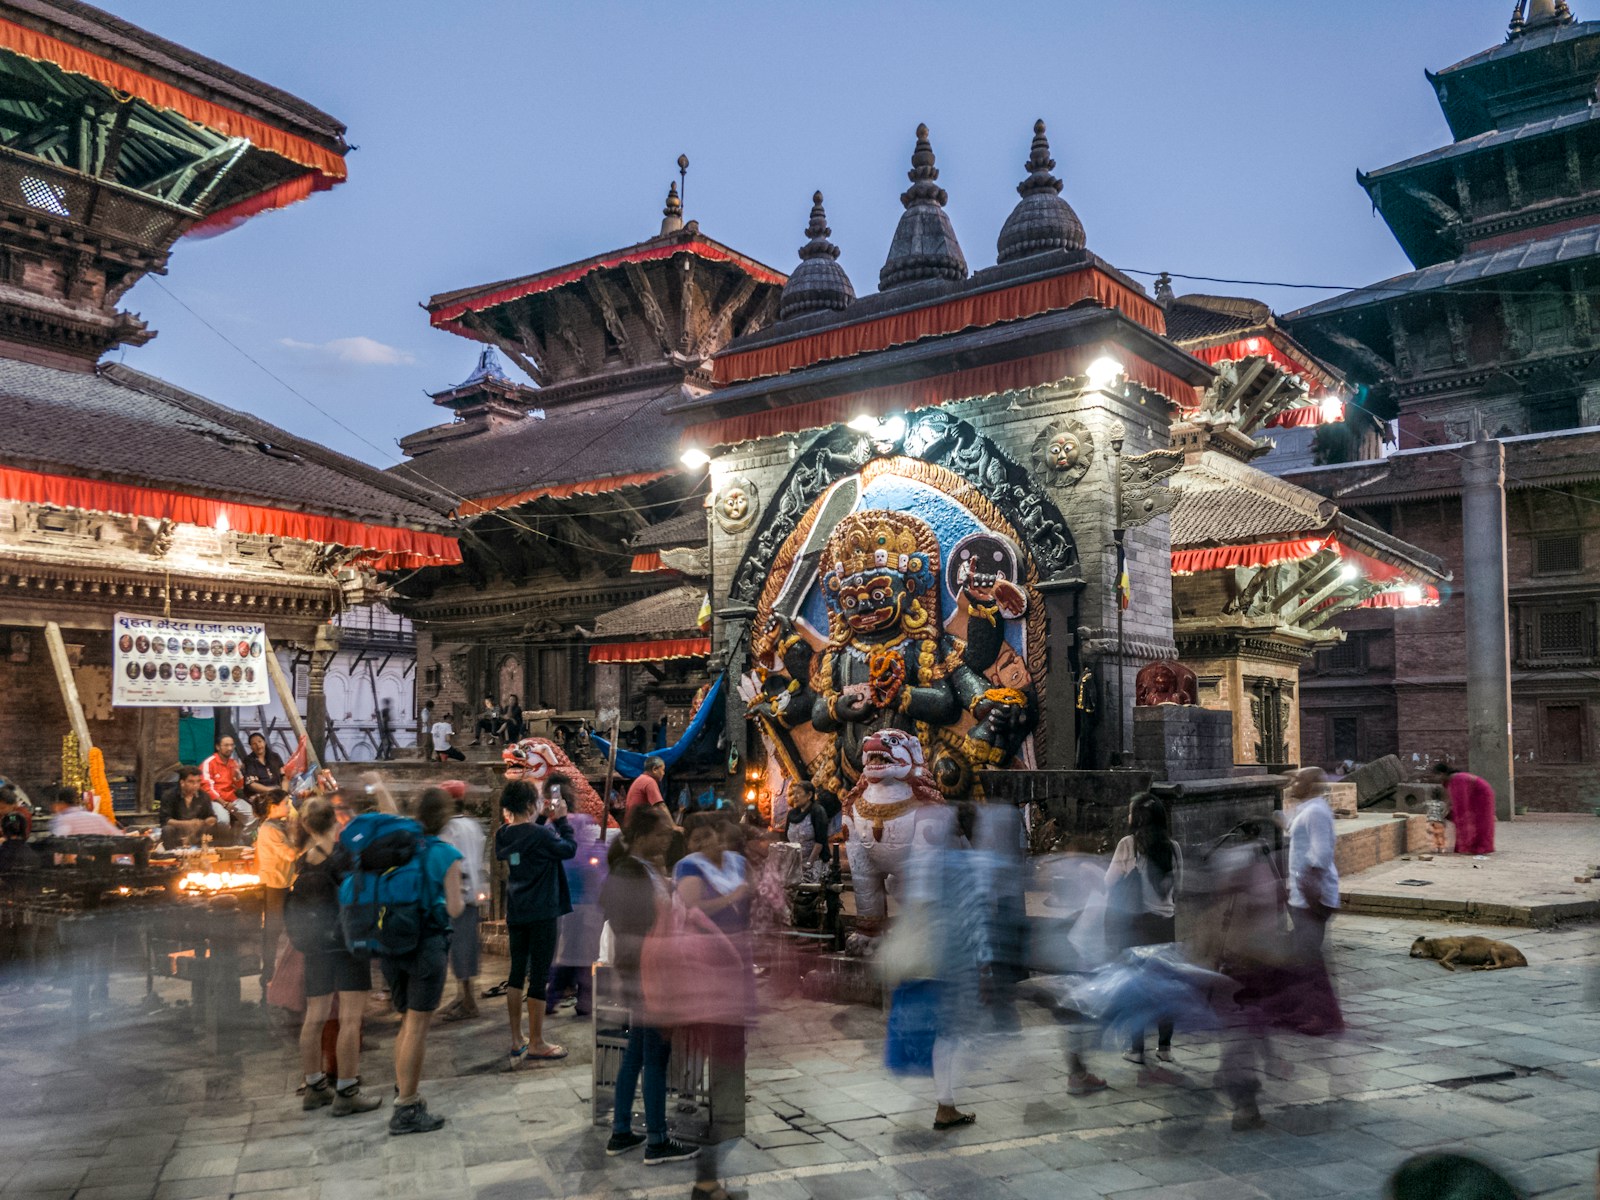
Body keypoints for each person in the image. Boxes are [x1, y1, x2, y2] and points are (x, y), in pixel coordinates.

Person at [600, 805, 698, 1166]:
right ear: (641, 835)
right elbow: (631, 927)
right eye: (660, 834)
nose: (666, 838)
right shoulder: (631, 872)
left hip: (646, 971)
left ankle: (621, 1130)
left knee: (637, 1054)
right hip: (647, 974)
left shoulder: (643, 869)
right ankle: (657, 1139)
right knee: (655, 1055)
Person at [367, 788, 464, 1135]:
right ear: (445, 818)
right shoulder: (446, 854)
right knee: (418, 1028)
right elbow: (454, 908)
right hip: (427, 946)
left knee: (406, 1022)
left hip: (393, 945)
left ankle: (402, 1086)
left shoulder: (401, 844)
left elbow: (387, 814)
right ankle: (406, 1106)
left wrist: (379, 787)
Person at [292, 797, 382, 1118]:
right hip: (348, 945)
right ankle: (346, 1090)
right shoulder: (347, 857)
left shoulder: (301, 863)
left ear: (306, 825)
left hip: (316, 947)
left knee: (314, 1016)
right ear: (336, 821)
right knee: (350, 1019)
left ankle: (314, 1087)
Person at [1104, 793, 1184, 1085]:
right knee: (1165, 987)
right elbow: (1179, 887)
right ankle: (1164, 1049)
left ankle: (1137, 1050)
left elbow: (1108, 882)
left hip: (1138, 926)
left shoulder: (1129, 845)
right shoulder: (1173, 848)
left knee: (1136, 988)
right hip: (1166, 925)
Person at [494, 779, 575, 1069]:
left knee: (516, 973)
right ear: (530, 804)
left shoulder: (503, 835)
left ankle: (517, 1039)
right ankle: (538, 1042)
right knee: (539, 976)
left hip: (517, 911)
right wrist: (562, 820)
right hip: (542, 913)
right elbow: (568, 849)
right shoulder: (541, 836)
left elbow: (526, 839)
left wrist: (542, 818)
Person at [1284, 767, 1343, 1036]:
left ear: (1310, 785)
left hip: (1313, 897)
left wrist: (1311, 895)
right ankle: (1305, 1009)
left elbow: (1320, 854)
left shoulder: (1316, 811)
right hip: (1302, 896)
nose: (1292, 783)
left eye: (1298, 779)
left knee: (1310, 959)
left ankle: (1324, 1016)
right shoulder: (1308, 809)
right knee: (1301, 956)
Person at [433, 781, 486, 1022]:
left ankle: (469, 1002)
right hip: (472, 894)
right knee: (465, 948)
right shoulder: (472, 825)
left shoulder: (448, 829)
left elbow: (449, 864)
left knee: (460, 950)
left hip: (457, 896)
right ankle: (462, 996)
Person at [255, 790, 296, 997]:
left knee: (282, 929)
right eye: (286, 803)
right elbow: (290, 854)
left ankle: (277, 973)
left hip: (283, 882)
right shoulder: (270, 830)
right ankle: (268, 973)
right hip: (274, 884)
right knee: (273, 930)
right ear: (273, 807)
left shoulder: (277, 826)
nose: (288, 807)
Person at [1433, 762, 1496, 856]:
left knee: (1479, 821)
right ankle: (1467, 845)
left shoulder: (1457, 779)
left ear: (1442, 774)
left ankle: (1476, 846)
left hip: (1481, 796)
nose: (1435, 779)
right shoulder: (1450, 781)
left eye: (1436, 775)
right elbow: (1451, 799)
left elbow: (1460, 804)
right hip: (1475, 794)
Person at [783, 782, 829, 882]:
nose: (795, 796)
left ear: (809, 795)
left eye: (798, 793)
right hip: (794, 863)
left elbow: (819, 842)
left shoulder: (817, 812)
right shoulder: (791, 814)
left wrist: (808, 864)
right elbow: (786, 840)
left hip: (813, 863)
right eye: (793, 793)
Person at [161, 766, 218, 847]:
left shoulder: (204, 796)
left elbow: (211, 816)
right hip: (177, 830)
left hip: (197, 832)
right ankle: (171, 854)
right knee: (167, 830)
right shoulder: (169, 795)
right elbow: (165, 820)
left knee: (216, 828)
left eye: (198, 782)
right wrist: (187, 824)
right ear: (182, 782)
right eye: (191, 782)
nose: (196, 785)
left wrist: (209, 820)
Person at [201, 734, 249, 824]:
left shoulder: (233, 763)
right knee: (223, 821)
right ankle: (223, 838)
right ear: (218, 747)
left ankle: (243, 838)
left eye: (232, 745)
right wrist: (224, 803)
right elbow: (207, 789)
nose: (230, 748)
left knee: (253, 817)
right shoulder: (209, 763)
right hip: (214, 800)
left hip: (231, 799)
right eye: (226, 745)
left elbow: (238, 787)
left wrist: (239, 776)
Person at [48, 787, 122, 837]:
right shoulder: (98, 818)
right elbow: (118, 837)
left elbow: (60, 843)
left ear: (61, 803)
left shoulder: (62, 820)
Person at [240, 733, 285, 815]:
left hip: (278, 793)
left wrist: (284, 793)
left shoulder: (275, 757)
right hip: (260, 795)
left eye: (260, 741)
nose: (258, 745)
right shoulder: (249, 761)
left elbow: (285, 778)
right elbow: (252, 784)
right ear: (251, 747)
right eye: (254, 743)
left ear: (264, 742)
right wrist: (272, 790)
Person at [624, 757, 670, 823]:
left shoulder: (641, 779)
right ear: (655, 769)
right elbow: (661, 806)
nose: (663, 773)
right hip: (637, 825)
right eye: (663, 770)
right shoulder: (649, 781)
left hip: (631, 823)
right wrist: (673, 826)